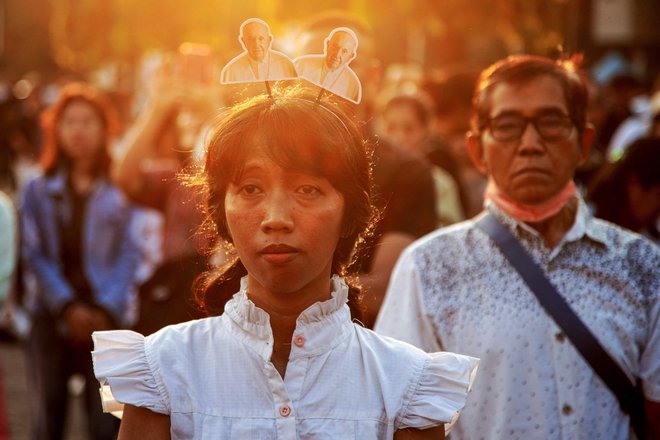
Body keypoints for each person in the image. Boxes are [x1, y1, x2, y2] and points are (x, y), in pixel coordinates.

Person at [92, 89, 479, 439]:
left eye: (307, 189)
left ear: (350, 213)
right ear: (220, 213)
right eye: (251, 189)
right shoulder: (165, 372)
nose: (276, 217)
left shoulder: (405, 386)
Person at [375, 55, 660, 439]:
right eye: (507, 126)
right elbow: (402, 420)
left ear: (584, 142)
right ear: (477, 150)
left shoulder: (642, 265)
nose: (530, 144)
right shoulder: (429, 267)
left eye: (551, 123)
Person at [20, 82, 141, 440]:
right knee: (48, 418)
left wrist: (104, 308)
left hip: (109, 322)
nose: (78, 130)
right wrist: (67, 306)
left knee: (109, 421)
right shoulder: (38, 189)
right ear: (55, 128)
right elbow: (34, 253)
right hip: (51, 319)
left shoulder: (122, 188)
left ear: (106, 129)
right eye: (69, 121)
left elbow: (131, 252)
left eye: (88, 121)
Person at [294, 27, 362, 103]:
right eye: (335, 47)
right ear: (327, 45)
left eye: (344, 51)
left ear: (350, 57)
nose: (337, 54)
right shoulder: (300, 64)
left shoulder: (353, 86)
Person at [221, 18, 297, 84]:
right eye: (251, 39)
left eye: (261, 39)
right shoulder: (231, 70)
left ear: (269, 40)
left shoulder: (285, 64)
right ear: (243, 41)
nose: (256, 44)